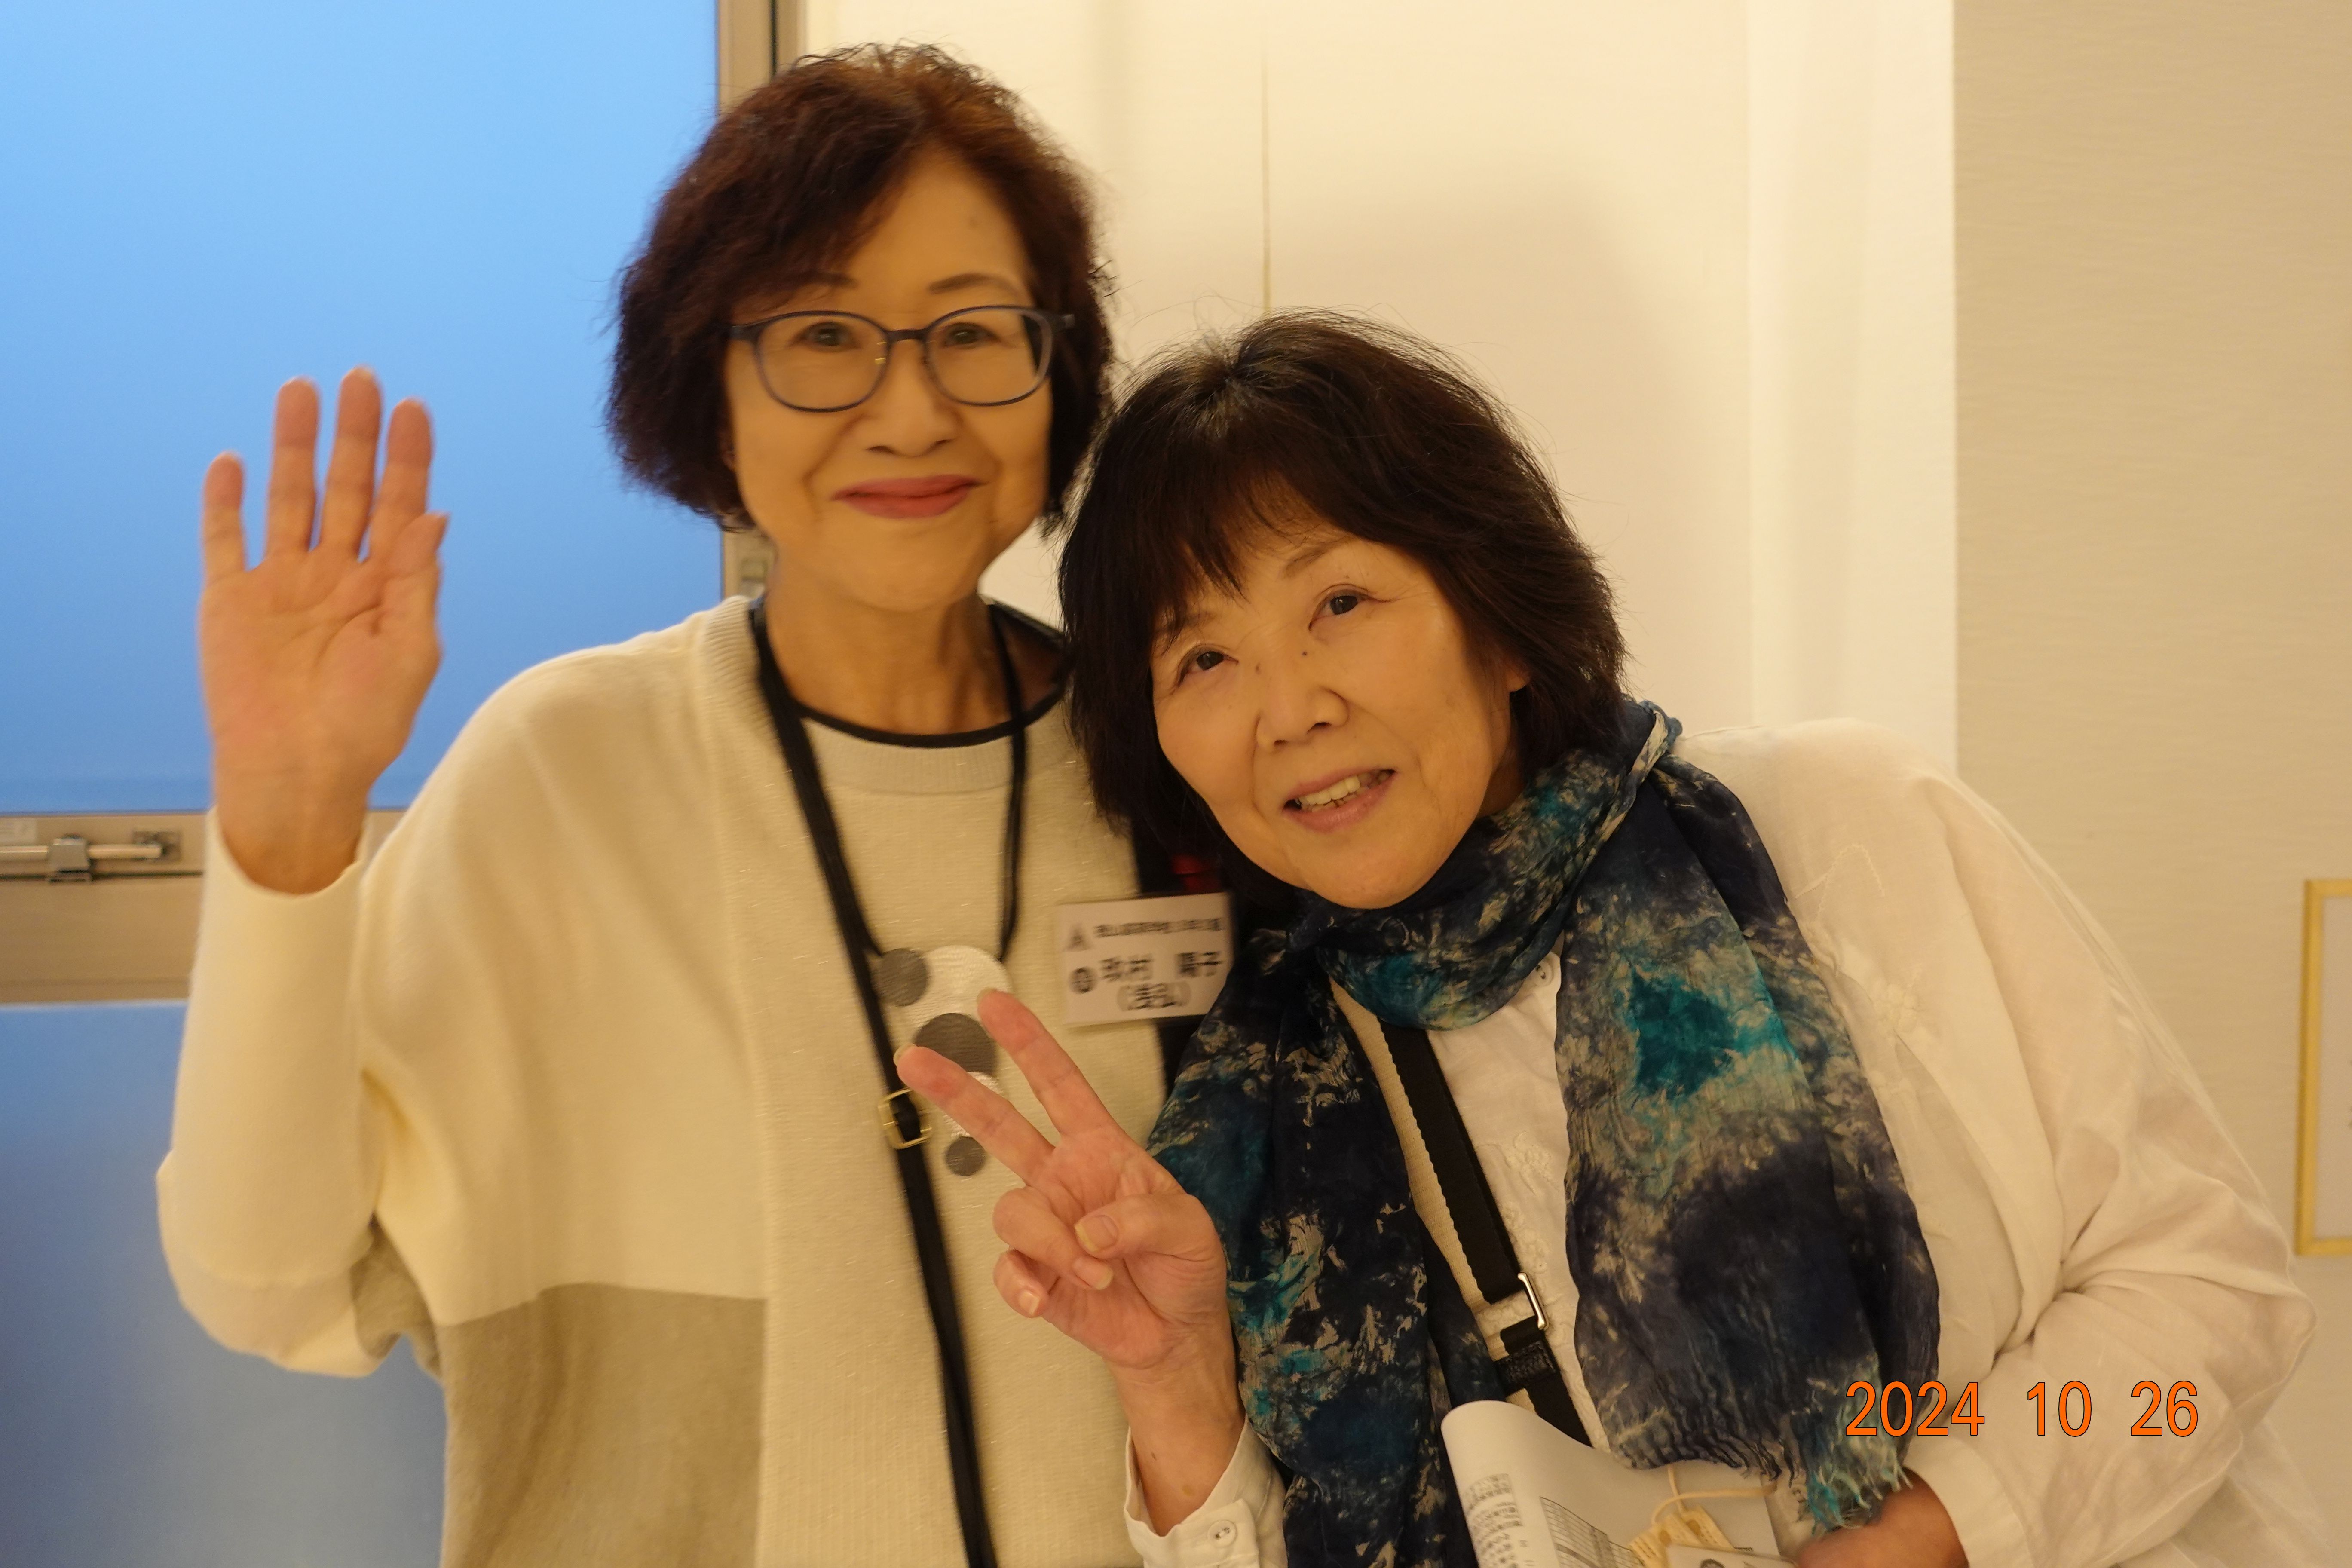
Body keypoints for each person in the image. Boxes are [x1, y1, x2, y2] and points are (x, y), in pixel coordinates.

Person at [898, 314, 2332, 1568]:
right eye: (1203, 657)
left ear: (1502, 624)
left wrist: (1943, 1527)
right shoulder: (1261, 1096)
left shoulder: (1843, 826)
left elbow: (2214, 1298)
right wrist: (1175, 1386)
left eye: (1341, 603)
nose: (1291, 708)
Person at [164, 45, 1184, 1567]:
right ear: (710, 393)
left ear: (1059, 374)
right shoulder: (565, 775)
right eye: (823, 336)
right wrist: (289, 819)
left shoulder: (1166, 759)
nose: (912, 412)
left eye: (975, 333)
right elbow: (272, 1286)